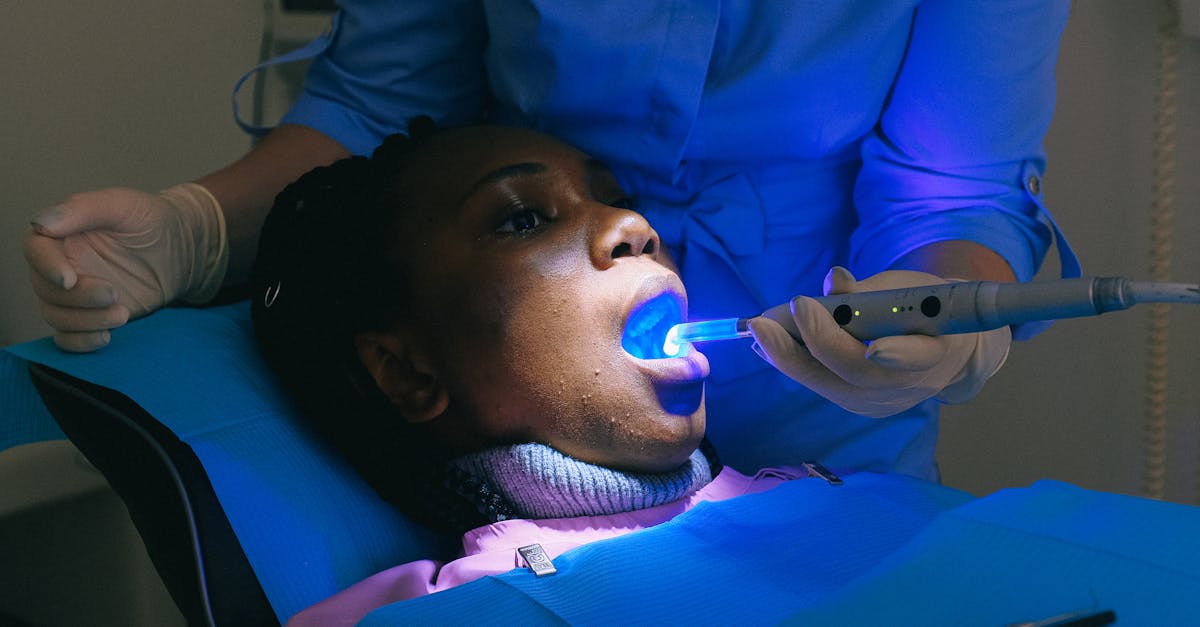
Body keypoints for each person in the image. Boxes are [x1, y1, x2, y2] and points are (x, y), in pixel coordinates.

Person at [23, 2, 1074, 480]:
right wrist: (204, 230)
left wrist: (940, 312)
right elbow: (380, 109)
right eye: (535, 215)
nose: (636, 230)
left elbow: (962, 189)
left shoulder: (818, 512)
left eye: (614, 202)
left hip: (832, 429)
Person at [251, 119, 851, 624]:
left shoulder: (826, 500)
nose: (636, 229)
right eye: (523, 220)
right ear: (408, 371)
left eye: (620, 201)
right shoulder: (458, 610)